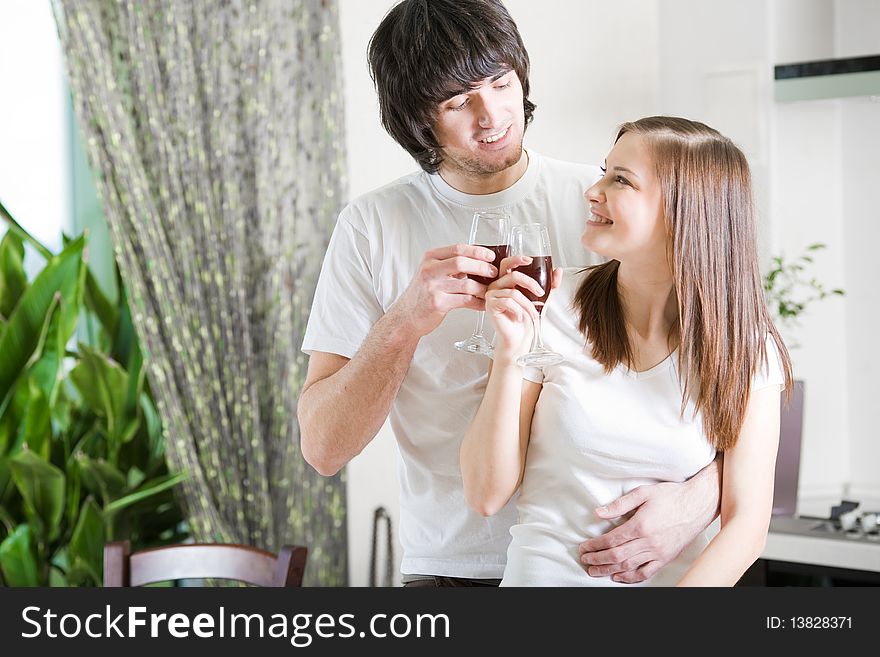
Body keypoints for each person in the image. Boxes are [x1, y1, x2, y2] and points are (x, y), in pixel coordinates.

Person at [298, 0, 721, 587]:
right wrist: (405, 321)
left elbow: (745, 375)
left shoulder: (603, 205)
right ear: (418, 122)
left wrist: (705, 496)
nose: (492, 114)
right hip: (452, 569)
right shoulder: (372, 226)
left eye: (500, 82)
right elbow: (323, 447)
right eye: (457, 101)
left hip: (602, 566)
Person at [460, 116, 793, 586]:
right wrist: (510, 350)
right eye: (604, 172)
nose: (593, 191)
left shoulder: (747, 349)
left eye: (621, 180)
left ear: (684, 210)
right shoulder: (553, 305)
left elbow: (747, 528)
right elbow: (484, 493)